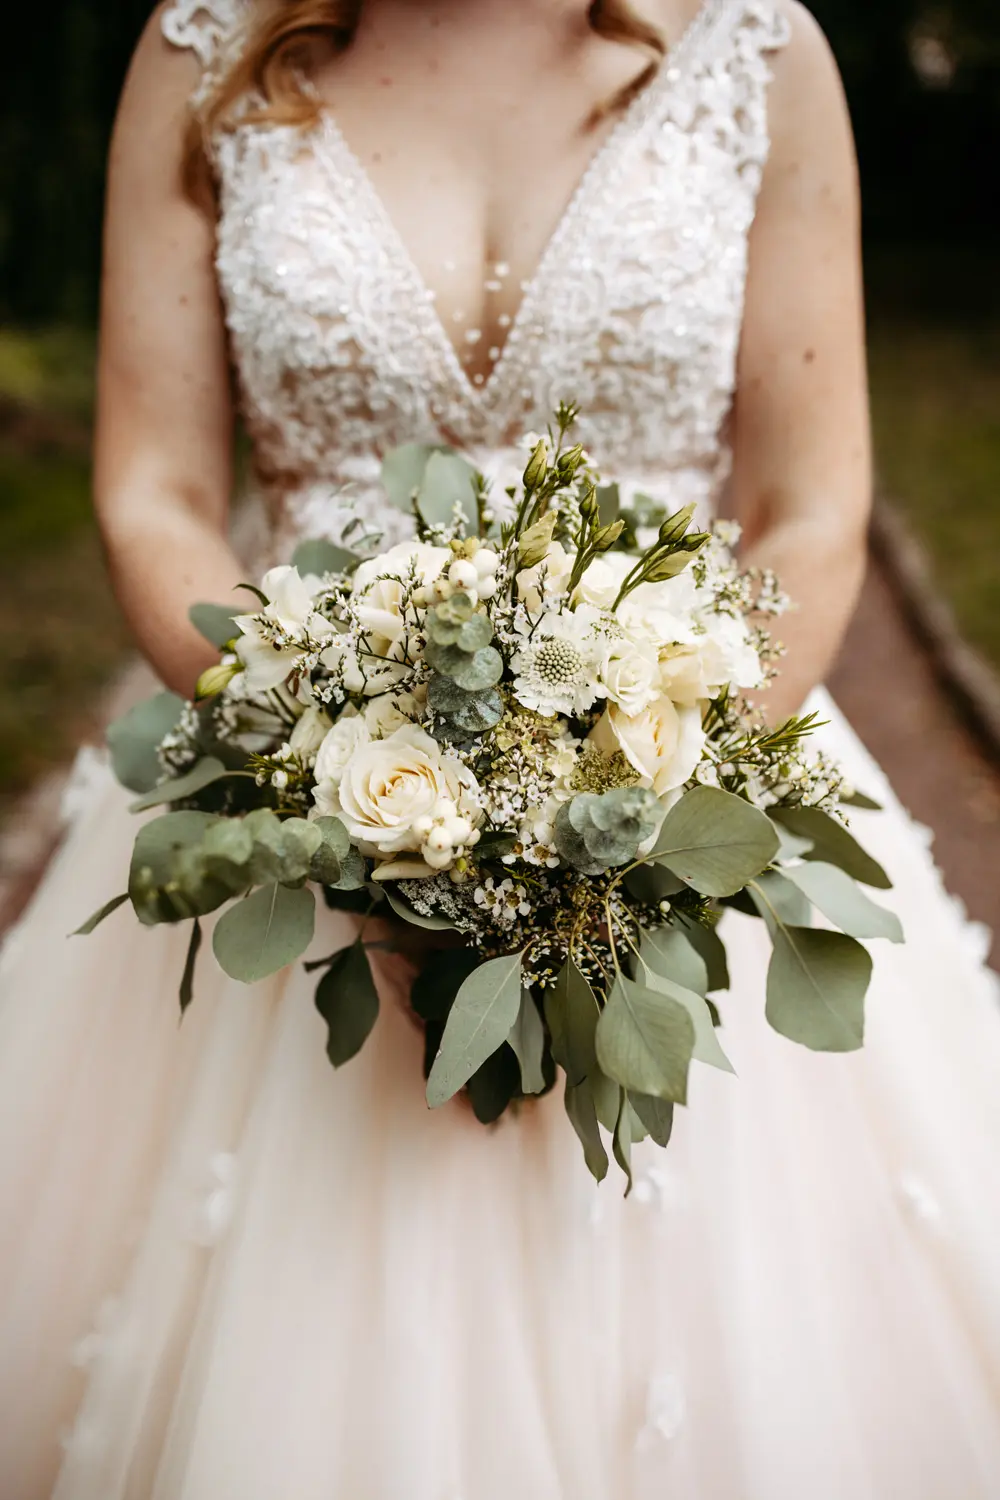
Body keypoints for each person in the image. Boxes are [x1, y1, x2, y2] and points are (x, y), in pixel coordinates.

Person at [2, 0, 999, 1494]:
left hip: (682, 799)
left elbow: (810, 509)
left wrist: (649, 798)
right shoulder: (198, 51)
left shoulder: (757, 56)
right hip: (290, 799)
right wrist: (318, 754)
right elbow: (152, 489)